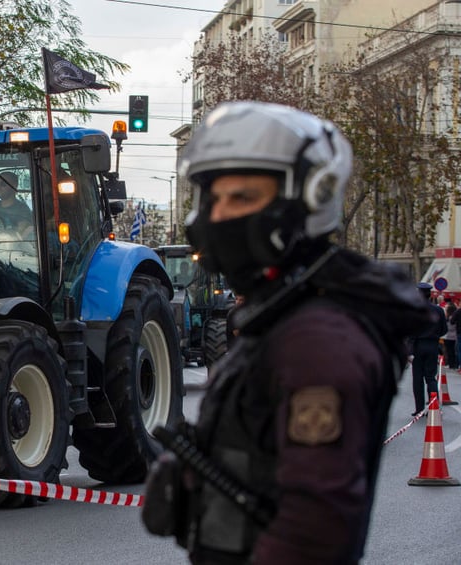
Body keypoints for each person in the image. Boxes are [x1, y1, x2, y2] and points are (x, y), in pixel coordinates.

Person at [141, 101, 433, 564]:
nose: (219, 216)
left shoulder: (317, 338)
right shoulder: (277, 316)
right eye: (212, 199)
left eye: (242, 197)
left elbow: (313, 529)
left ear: (311, 198)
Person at [410, 282, 447, 415]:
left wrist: (409, 351)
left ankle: (419, 409)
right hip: (432, 346)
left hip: (417, 346)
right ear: (430, 294)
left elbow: (410, 331)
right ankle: (433, 407)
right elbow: (444, 329)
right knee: (431, 378)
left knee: (417, 379)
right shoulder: (438, 310)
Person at [443, 302, 458, 370]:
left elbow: (448, 327)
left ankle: (450, 364)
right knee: (453, 351)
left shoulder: (449, 318)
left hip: (449, 336)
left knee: (449, 351)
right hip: (455, 336)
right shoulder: (455, 316)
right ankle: (453, 364)